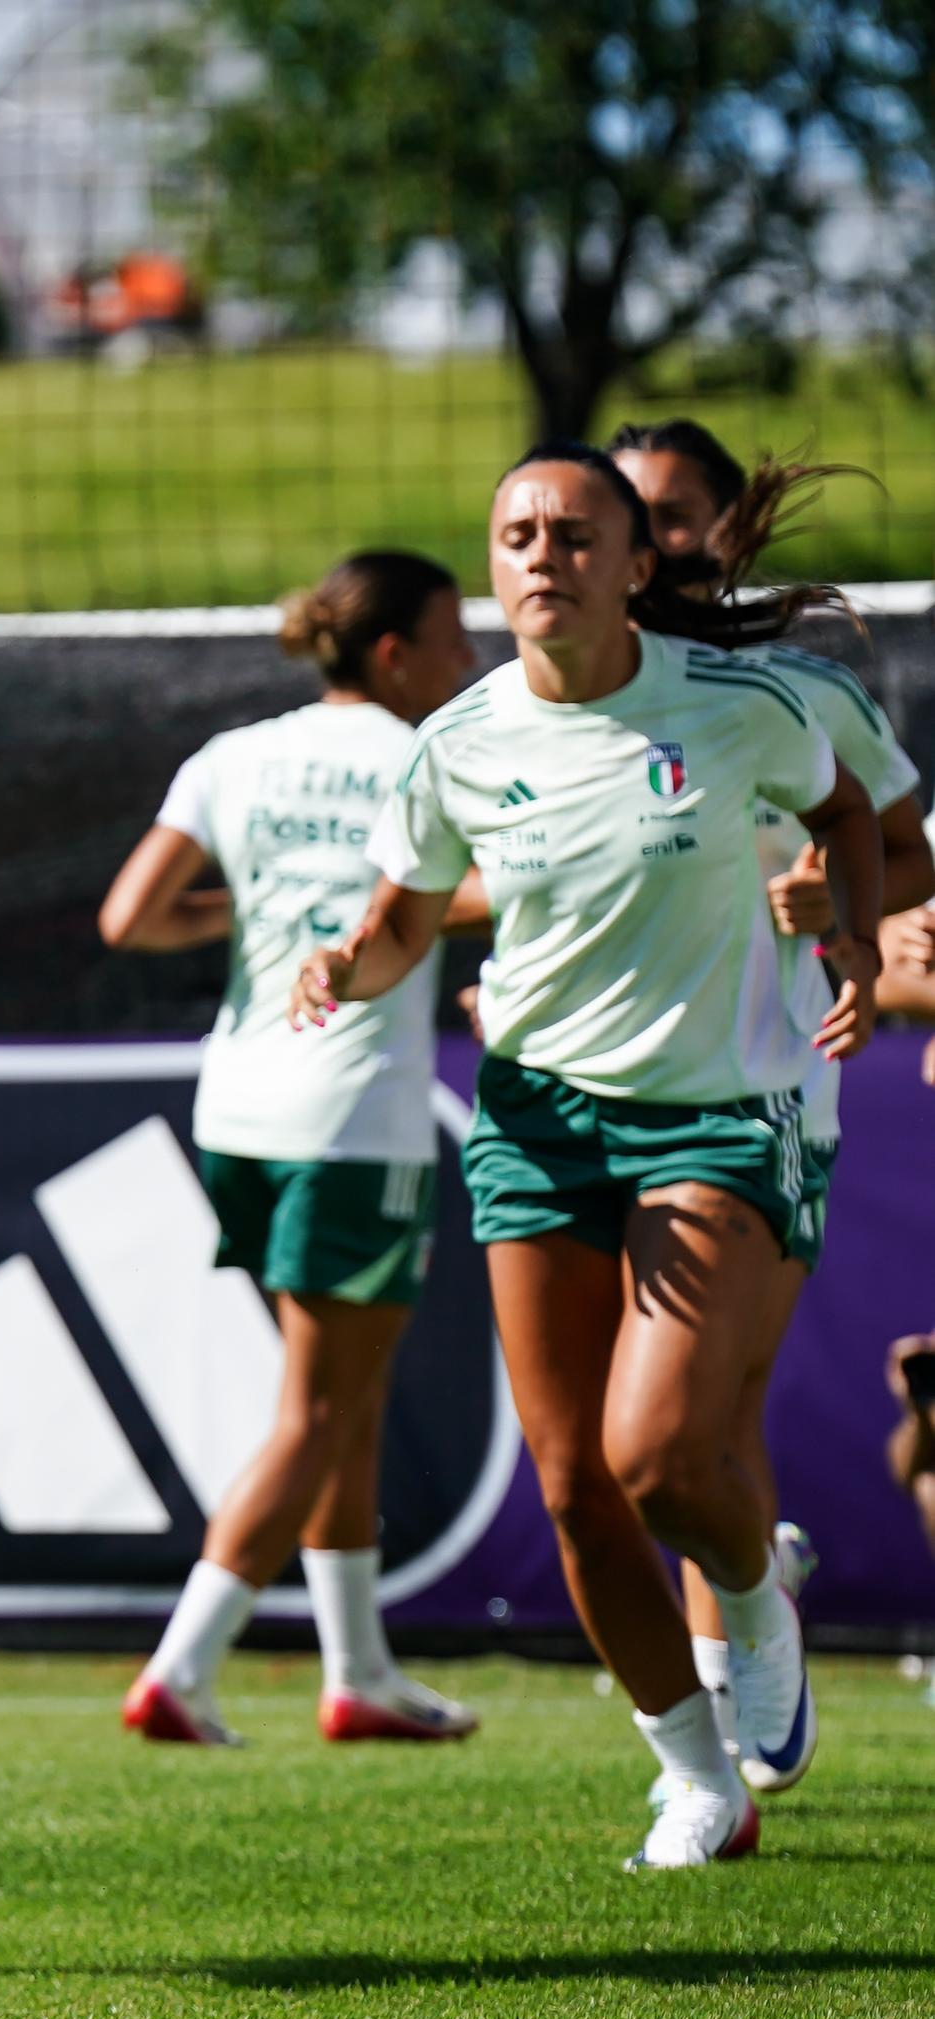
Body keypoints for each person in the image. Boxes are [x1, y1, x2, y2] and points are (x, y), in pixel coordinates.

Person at [295, 443, 882, 1870]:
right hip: (540, 1125)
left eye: (576, 532)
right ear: (493, 571)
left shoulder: (747, 709)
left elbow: (855, 815)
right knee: (573, 1487)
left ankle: (751, 1600)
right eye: (517, 534)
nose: (544, 553)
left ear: (635, 565)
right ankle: (696, 1778)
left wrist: (851, 928)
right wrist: (345, 969)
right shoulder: (460, 741)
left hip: (718, 1116)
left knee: (663, 1452)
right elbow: (404, 913)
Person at [97, 552, 481, 1747]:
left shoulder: (232, 756)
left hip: (242, 1116)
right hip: (351, 1116)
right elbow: (480, 893)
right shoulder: (436, 757)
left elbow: (129, 916)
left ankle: (357, 1670)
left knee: (343, 1396)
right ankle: (184, 1665)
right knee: (317, 1408)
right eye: (454, 636)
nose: (474, 662)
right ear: (393, 655)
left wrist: (268, 907)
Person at [604, 420, 934, 1774]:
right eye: (625, 513)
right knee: (641, 1453)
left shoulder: (804, 695)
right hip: (589, 1092)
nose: (646, 540)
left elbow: (903, 864)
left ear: (728, 531)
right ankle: (744, 1642)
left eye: (674, 514)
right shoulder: (567, 696)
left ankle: (736, 1678)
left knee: (700, 1422)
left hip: (762, 1086)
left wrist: (834, 898)